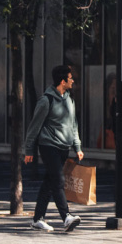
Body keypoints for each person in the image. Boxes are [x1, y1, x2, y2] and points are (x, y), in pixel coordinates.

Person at [23, 65, 84, 232]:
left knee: (49, 182)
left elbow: (74, 125)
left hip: (64, 146)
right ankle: (66, 217)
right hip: (48, 145)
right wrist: (29, 150)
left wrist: (77, 146)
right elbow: (34, 127)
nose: (73, 81)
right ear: (62, 81)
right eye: (70, 78)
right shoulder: (46, 100)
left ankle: (37, 219)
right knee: (58, 180)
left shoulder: (70, 100)